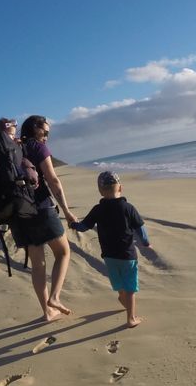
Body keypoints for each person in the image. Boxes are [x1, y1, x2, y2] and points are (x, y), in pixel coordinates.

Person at [11, 115, 77, 322]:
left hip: (18, 214)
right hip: (40, 208)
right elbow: (53, 180)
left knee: (37, 264)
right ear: (35, 129)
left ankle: (47, 312)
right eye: (45, 132)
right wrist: (66, 210)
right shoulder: (37, 148)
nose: (47, 137)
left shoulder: (13, 148)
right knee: (63, 252)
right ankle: (55, 298)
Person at [68, 170, 150, 328]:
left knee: (118, 281)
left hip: (109, 256)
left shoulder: (97, 209)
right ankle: (131, 318)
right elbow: (140, 229)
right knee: (131, 287)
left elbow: (84, 227)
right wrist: (146, 243)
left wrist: (73, 224)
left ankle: (121, 296)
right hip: (127, 255)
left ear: (100, 191)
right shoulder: (128, 208)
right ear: (121, 188)